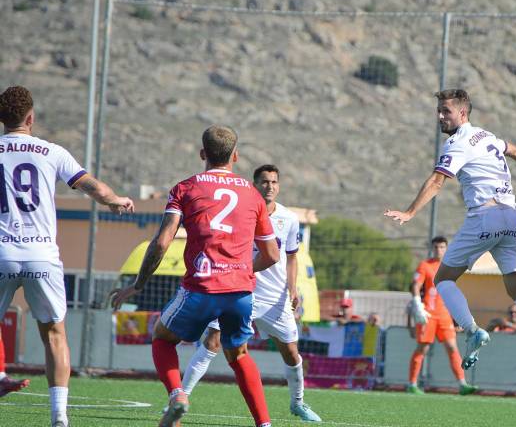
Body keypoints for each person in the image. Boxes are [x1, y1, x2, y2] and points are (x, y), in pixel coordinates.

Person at [111, 125, 278, 427]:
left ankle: (177, 395)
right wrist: (239, 270)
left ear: (203, 154)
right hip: (240, 292)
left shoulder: (185, 188)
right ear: (235, 156)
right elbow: (272, 255)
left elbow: (162, 242)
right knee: (238, 354)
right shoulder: (253, 196)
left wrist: (138, 284)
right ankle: (264, 424)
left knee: (162, 338)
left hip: (201, 288)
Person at [385, 89, 516, 374]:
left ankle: (472, 331)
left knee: (443, 278)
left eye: (445, 111)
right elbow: (512, 148)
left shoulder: (457, 143)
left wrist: (409, 212)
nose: (440, 116)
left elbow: (436, 181)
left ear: (462, 113)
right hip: (512, 218)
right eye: (438, 110)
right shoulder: (486, 135)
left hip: (485, 216)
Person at [0, 86, 134, 426]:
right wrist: (116, 200)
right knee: (55, 334)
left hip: (1, 253)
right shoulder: (51, 151)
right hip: (42, 254)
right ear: (30, 118)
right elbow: (96, 189)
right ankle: (59, 415)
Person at [179, 164, 322, 422]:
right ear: (254, 184)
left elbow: (291, 257)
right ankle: (179, 397)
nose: (269, 186)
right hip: (240, 289)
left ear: (279, 186)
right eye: (264, 182)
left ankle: (298, 403)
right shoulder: (241, 211)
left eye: (274, 182)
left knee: (291, 353)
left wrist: (292, 288)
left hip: (275, 297)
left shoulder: (288, 219)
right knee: (212, 340)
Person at [406, 236, 478, 395]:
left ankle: (462, 384)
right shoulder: (424, 266)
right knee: (422, 349)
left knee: (453, 348)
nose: (439, 250)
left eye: (442, 247)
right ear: (432, 249)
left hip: (444, 315)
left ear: (446, 248)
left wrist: (456, 317)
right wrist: (417, 303)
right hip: (428, 315)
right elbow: (416, 285)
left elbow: (452, 293)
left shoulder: (449, 266)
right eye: (436, 247)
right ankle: (411, 384)